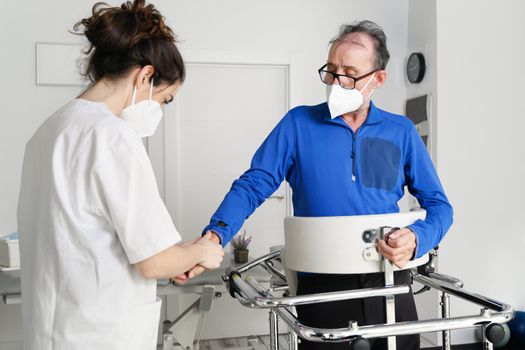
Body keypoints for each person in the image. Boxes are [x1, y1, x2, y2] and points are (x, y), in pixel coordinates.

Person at [191, 20, 453, 349]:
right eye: (331, 70)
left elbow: (440, 207)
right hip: (321, 288)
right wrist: (214, 236)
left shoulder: (401, 132)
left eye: (350, 72)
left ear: (378, 79)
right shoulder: (298, 124)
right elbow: (253, 185)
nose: (336, 82)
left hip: (389, 281)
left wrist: (418, 237)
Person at [16, 1, 224, 349]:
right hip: (99, 334)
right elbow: (154, 262)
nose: (159, 110)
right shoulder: (113, 136)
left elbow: (88, 233)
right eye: (165, 99)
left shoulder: (48, 131)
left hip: (49, 332)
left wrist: (178, 254)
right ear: (145, 76)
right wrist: (204, 252)